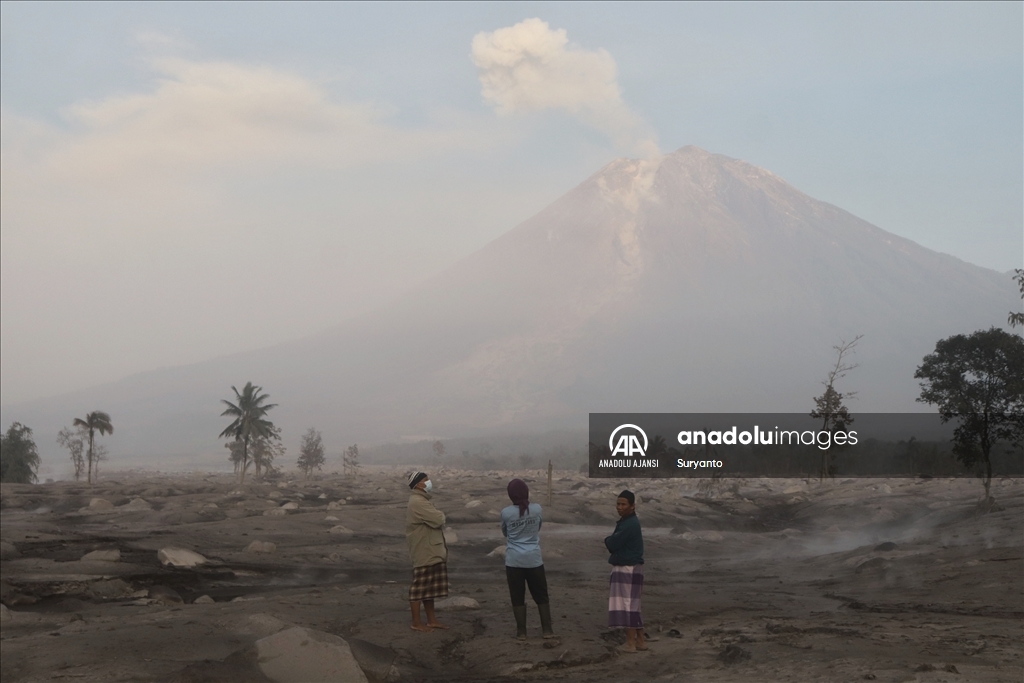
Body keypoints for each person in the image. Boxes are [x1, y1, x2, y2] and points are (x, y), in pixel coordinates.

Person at [501, 478, 554, 640]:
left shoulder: (506, 513)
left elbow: (506, 533)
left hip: (514, 560)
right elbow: (538, 528)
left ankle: (521, 632)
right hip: (534, 559)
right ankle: (547, 630)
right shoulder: (537, 509)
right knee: (541, 595)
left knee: (517, 596)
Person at [406, 471, 449, 632]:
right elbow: (439, 519)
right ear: (417, 484)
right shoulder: (418, 502)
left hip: (429, 548)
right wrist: (440, 515)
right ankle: (416, 622)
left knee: (429, 587)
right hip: (425, 549)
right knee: (420, 587)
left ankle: (431, 620)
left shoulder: (421, 500)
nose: (429, 482)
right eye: (426, 480)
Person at [604, 489, 646, 653]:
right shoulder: (629, 522)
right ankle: (641, 640)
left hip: (628, 567)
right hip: (632, 566)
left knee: (629, 605)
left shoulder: (629, 524)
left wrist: (607, 540)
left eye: (623, 504)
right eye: (618, 504)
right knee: (634, 605)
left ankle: (630, 643)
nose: (619, 507)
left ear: (632, 506)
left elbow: (612, 544)